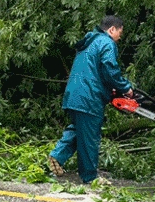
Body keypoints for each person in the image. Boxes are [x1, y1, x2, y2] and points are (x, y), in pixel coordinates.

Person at [48, 14, 133, 185]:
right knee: (90, 137)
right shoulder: (107, 42)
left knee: (78, 129)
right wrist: (125, 87)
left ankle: (57, 156)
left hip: (75, 94)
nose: (119, 38)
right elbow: (109, 67)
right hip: (89, 97)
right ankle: (90, 177)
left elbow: (96, 70)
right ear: (112, 29)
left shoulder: (90, 42)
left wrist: (111, 87)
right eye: (119, 33)